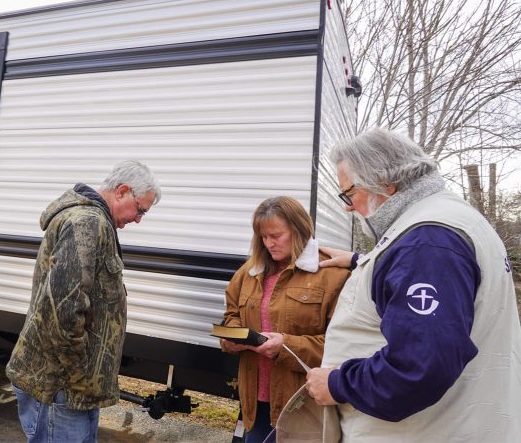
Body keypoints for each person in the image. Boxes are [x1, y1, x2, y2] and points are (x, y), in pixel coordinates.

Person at [306, 128, 521, 442]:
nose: (348, 208)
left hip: (429, 432)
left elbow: (419, 368)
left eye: (349, 194)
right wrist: (360, 262)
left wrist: (337, 384)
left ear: (386, 183)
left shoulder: (426, 244)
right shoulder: (449, 221)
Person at [6, 160, 161, 443]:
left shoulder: (95, 222)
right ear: (122, 191)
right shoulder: (87, 223)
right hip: (63, 385)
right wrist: (75, 368)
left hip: (76, 386)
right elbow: (64, 309)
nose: (139, 219)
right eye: (140, 210)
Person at [220, 196, 350, 443]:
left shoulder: (331, 275)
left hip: (304, 405)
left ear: (299, 229)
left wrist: (285, 346)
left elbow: (342, 346)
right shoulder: (249, 272)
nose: (269, 243)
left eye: (276, 235)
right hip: (256, 402)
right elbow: (231, 316)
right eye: (263, 237)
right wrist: (233, 338)